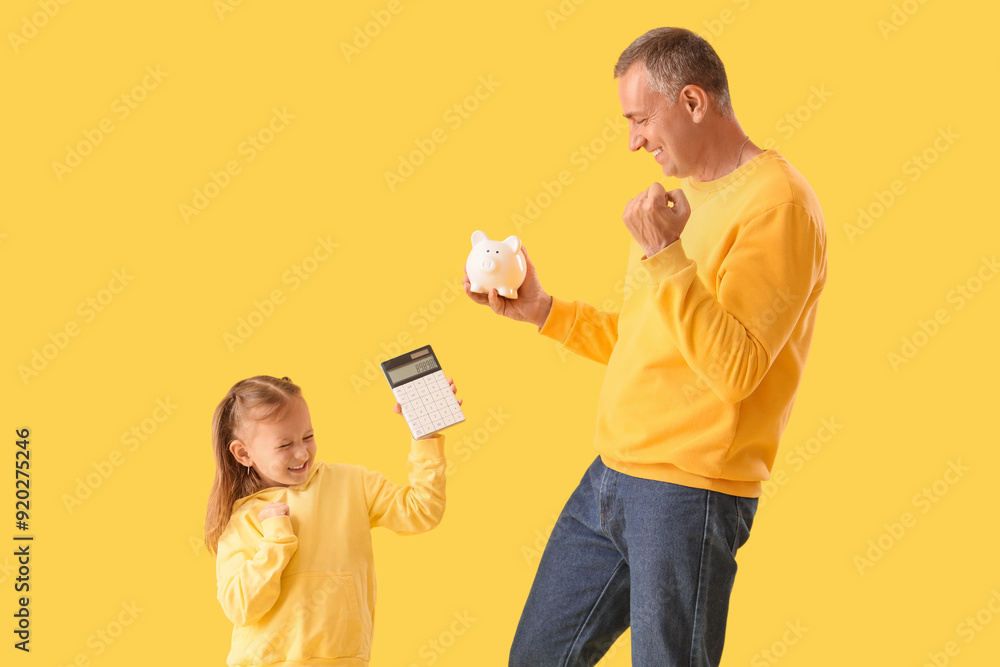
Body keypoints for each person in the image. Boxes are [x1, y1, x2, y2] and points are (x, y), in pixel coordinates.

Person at [465, 27, 828, 667]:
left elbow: (737, 368)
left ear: (692, 102)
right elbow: (653, 343)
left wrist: (665, 254)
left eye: (640, 118)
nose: (633, 139)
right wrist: (545, 312)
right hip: (612, 475)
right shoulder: (683, 205)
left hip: (689, 491)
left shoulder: (779, 206)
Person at [204, 374, 459, 666]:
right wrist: (275, 543)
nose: (301, 452)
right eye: (284, 444)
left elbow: (421, 512)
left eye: (308, 436)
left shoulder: (351, 483)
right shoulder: (243, 520)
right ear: (243, 453)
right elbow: (240, 608)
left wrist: (424, 437)